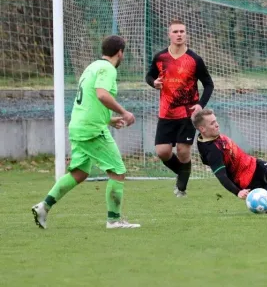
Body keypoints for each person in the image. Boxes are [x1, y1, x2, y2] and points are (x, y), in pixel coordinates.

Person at [31, 35, 140, 229]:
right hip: (91, 130)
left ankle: (44, 206)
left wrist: (109, 119)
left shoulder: (92, 67)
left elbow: (89, 100)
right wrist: (124, 112)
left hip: (78, 126)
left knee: (80, 173)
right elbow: (101, 94)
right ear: (120, 52)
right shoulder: (108, 69)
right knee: (118, 171)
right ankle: (114, 220)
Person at [193, 109, 267, 215]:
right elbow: (221, 176)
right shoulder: (212, 151)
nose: (217, 125)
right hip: (246, 182)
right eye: (212, 123)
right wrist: (238, 192)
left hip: (255, 166)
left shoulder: (207, 136)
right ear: (202, 129)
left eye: (216, 121)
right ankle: (263, 207)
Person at [145, 18, 214, 197]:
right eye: (175, 31)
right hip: (166, 113)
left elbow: (208, 84)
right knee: (162, 152)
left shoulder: (194, 59)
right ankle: (183, 173)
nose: (179, 34)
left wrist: (200, 105)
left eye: (182, 31)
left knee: (183, 151)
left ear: (186, 35)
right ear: (169, 34)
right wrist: (155, 83)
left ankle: (181, 187)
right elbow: (149, 76)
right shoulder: (160, 57)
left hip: (187, 114)